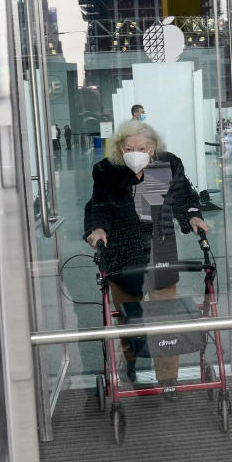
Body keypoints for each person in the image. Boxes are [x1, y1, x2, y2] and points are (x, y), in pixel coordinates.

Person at [83, 120, 210, 398]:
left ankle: (168, 379)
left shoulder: (168, 164)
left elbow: (183, 196)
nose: (135, 152)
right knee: (130, 315)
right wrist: (97, 228)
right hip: (121, 250)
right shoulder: (106, 170)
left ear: (153, 147)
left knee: (166, 316)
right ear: (119, 148)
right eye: (129, 148)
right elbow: (98, 205)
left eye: (142, 147)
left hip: (160, 246)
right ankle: (130, 368)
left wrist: (193, 216)